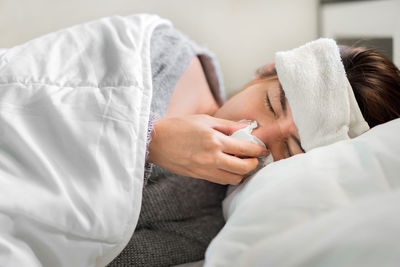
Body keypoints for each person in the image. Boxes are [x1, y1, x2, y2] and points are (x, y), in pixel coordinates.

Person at [108, 22, 400, 267]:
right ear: (267, 71)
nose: (258, 135)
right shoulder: (164, 54)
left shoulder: (208, 225)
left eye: (289, 149)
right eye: (271, 105)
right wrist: (150, 138)